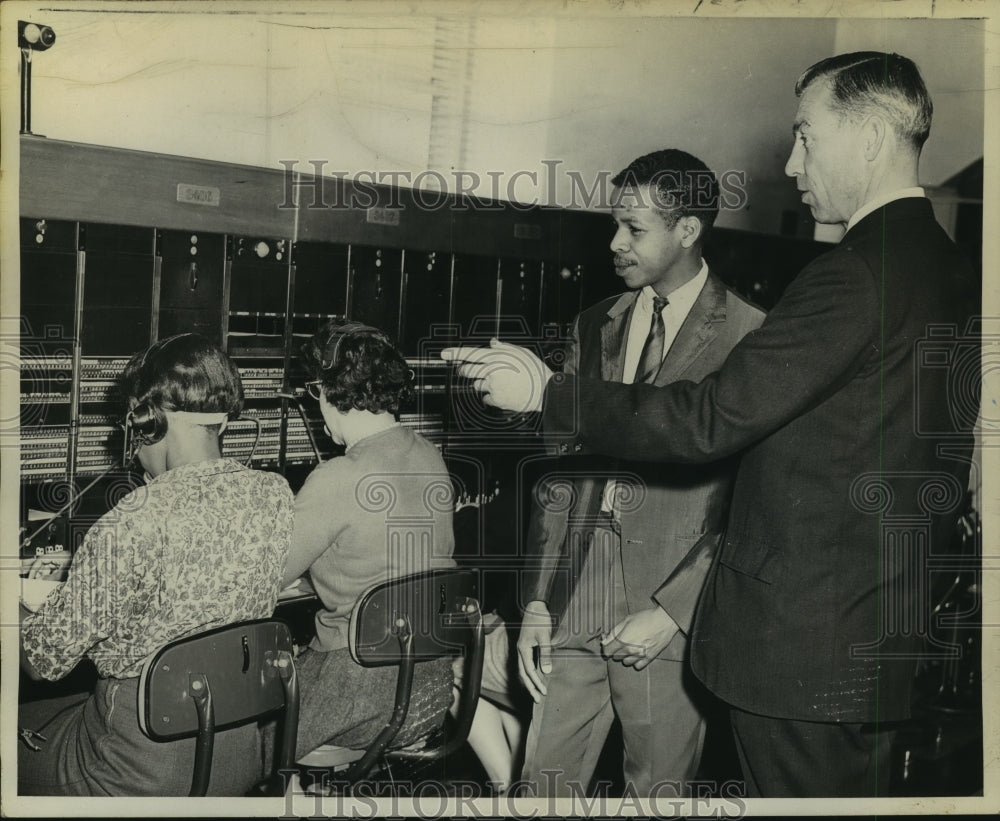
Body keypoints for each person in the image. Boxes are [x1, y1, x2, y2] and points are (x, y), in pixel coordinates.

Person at [444, 52, 979, 797]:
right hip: (870, 632)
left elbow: (710, 420)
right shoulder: (949, 268)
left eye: (805, 136)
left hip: (803, 647)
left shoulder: (850, 274)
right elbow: (943, 471)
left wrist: (550, 394)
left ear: (869, 138)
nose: (791, 163)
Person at [515, 149, 765, 796]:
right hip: (575, 598)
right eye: (614, 224)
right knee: (540, 788)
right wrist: (539, 596)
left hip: (665, 614)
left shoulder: (752, 337)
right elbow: (560, 474)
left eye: (634, 227)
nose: (614, 242)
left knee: (656, 793)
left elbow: (754, 501)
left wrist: (674, 612)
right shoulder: (595, 322)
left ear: (687, 230)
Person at [18, 333, 295, 796]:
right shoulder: (275, 495)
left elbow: (40, 661)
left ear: (146, 422)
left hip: (136, 770)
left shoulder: (132, 520)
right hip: (239, 755)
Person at [281, 320, 458, 758]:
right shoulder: (428, 452)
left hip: (357, 694)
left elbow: (263, 576)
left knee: (235, 736)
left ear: (326, 390)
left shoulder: (338, 476)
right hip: (428, 687)